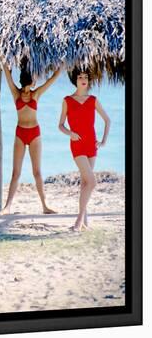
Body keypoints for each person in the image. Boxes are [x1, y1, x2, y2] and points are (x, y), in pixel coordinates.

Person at [0, 63, 61, 215]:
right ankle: (7, 207)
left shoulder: (35, 94)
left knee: (37, 172)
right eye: (34, 78)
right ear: (30, 80)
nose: (36, 81)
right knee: (16, 172)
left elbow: (52, 79)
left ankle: (45, 206)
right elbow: (7, 74)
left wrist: (61, 66)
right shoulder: (17, 94)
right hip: (20, 133)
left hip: (34, 134)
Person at [58, 68, 111, 231]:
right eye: (80, 77)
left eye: (86, 77)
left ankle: (84, 223)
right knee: (92, 182)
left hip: (91, 145)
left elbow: (107, 120)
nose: (83, 80)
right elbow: (60, 125)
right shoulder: (67, 100)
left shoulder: (93, 100)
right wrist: (70, 133)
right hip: (77, 144)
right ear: (75, 80)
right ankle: (78, 222)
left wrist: (103, 141)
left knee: (85, 183)